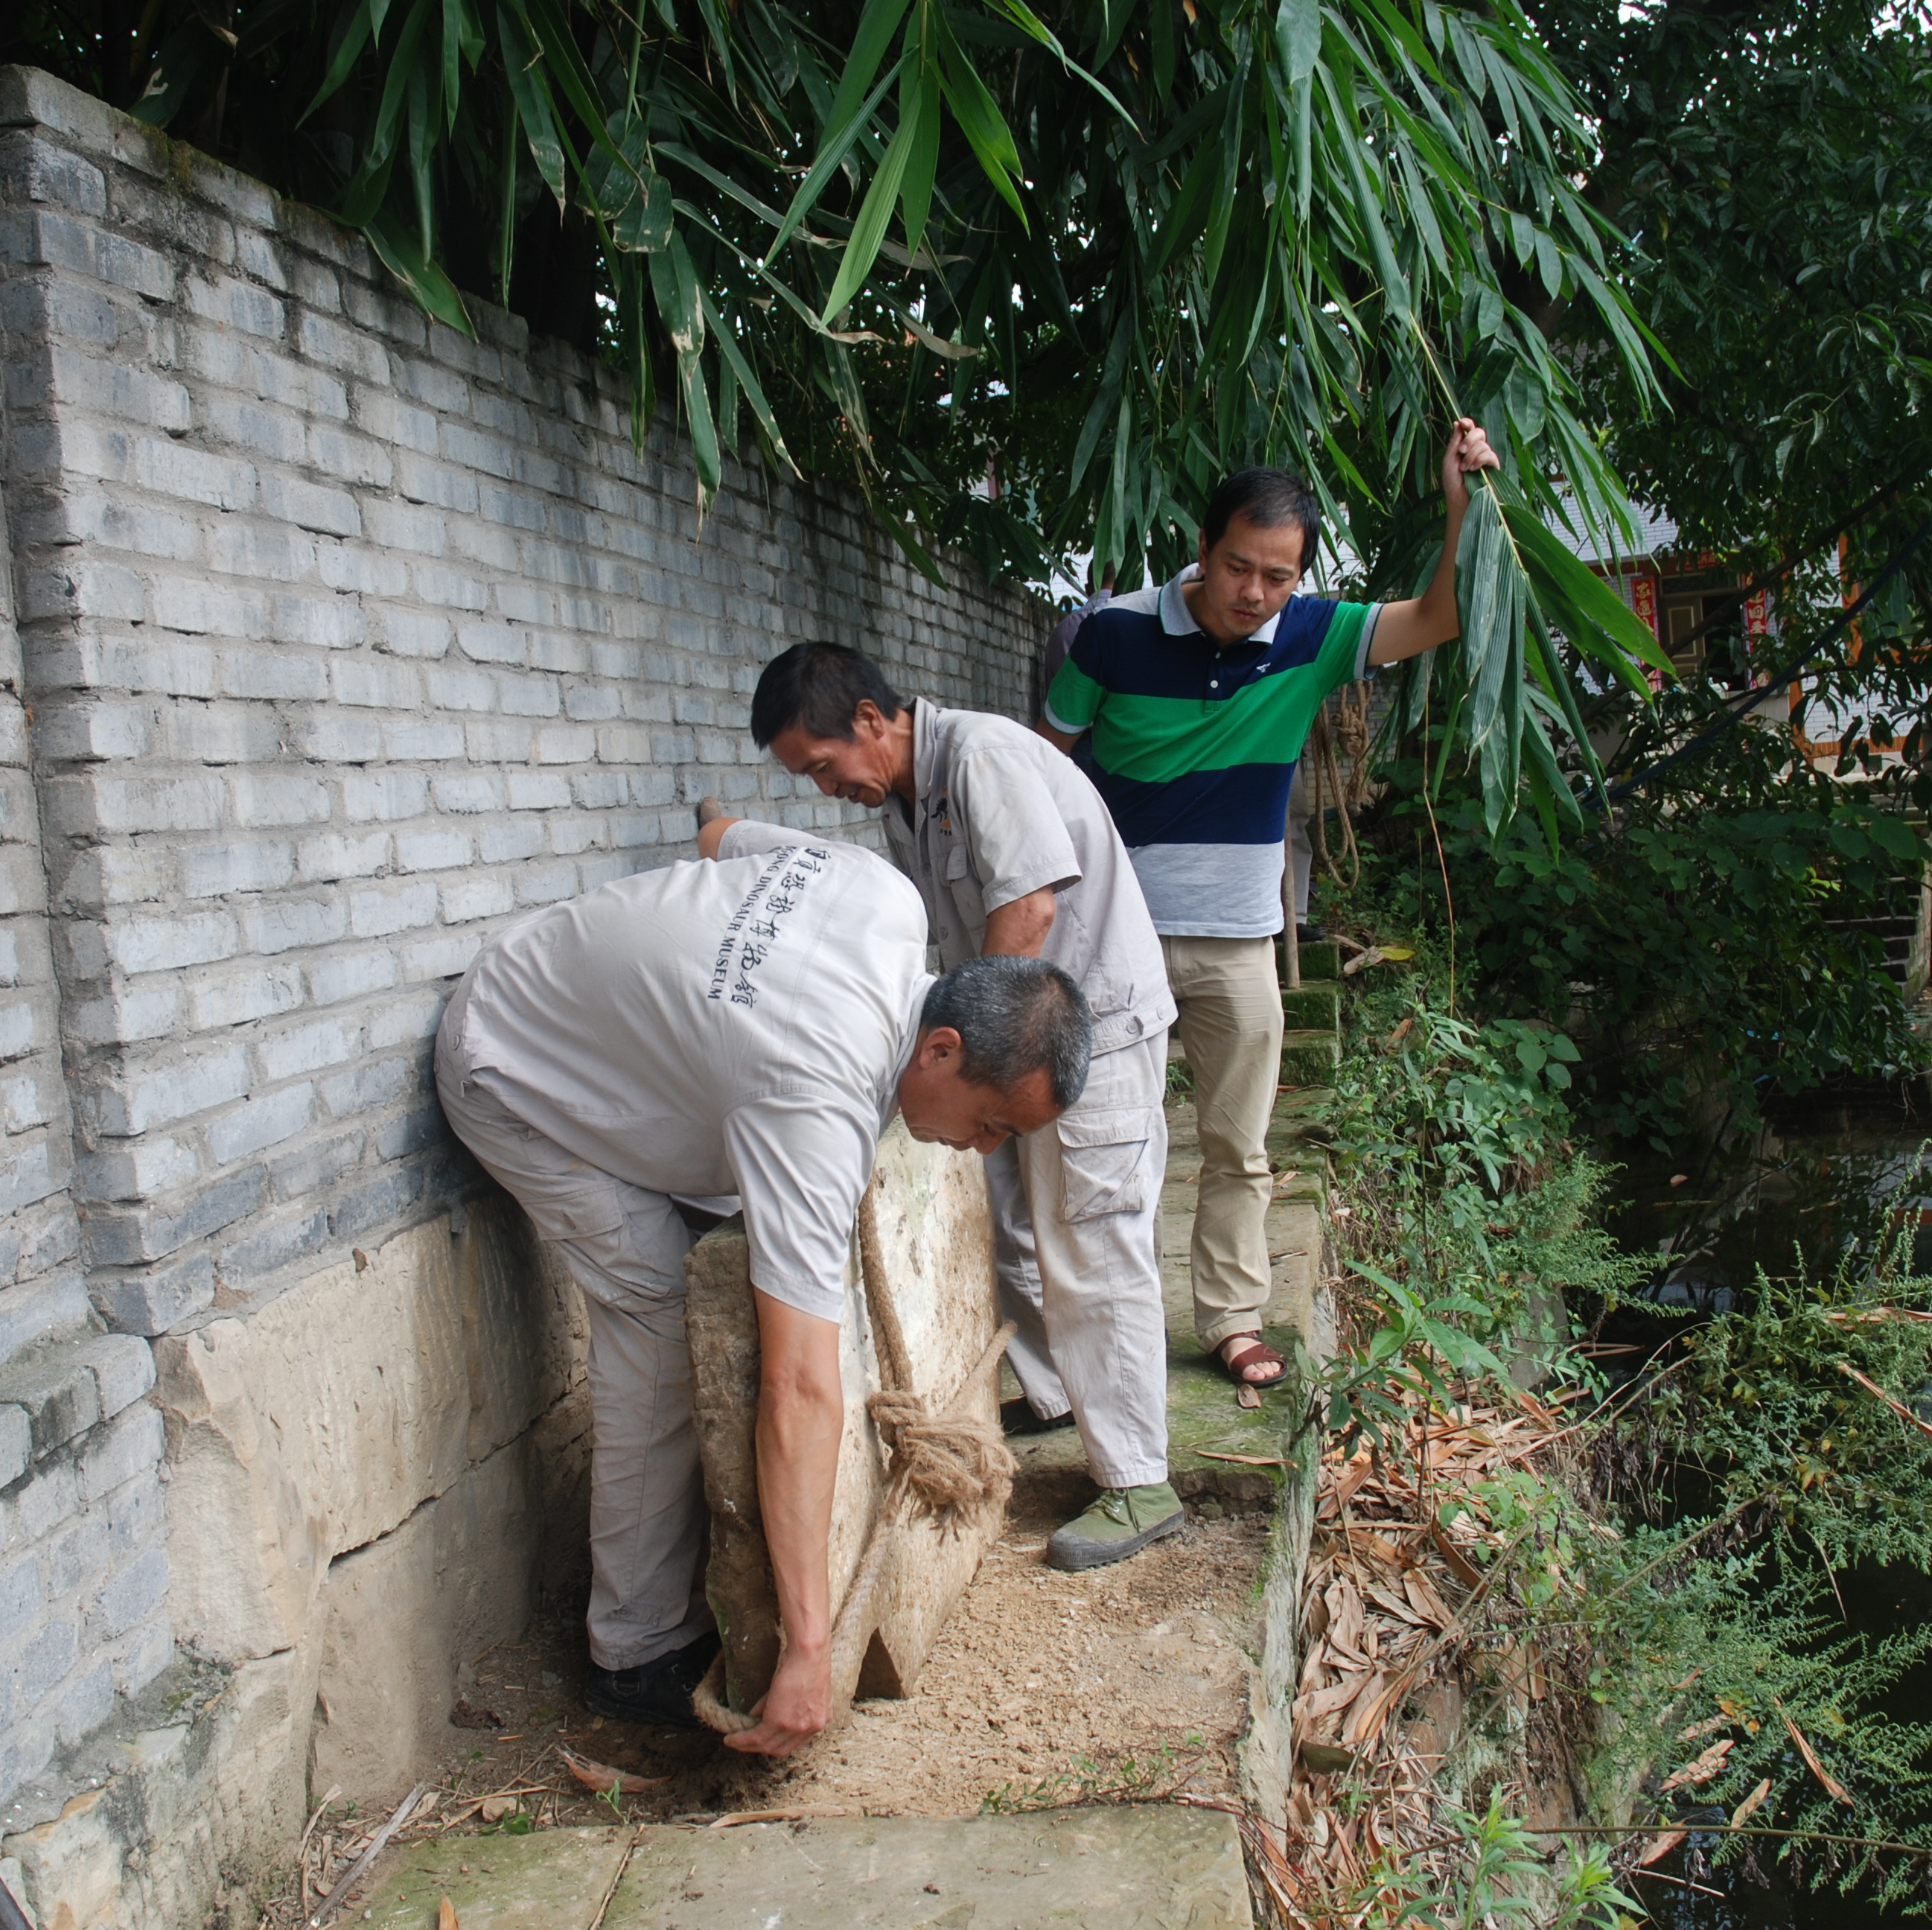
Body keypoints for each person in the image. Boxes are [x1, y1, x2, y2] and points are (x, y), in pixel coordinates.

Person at [433, 844, 1091, 1751]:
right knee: (660, 1317)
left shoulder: (884, 893)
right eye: (990, 1124)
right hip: (509, 1061)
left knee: (736, 1254)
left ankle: (682, 1564)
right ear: (939, 1047)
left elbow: (727, 839)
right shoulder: (812, 1100)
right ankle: (633, 1652)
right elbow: (799, 1390)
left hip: (567, 988)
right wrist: (808, 1649)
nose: (981, 1150)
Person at [1038, 423, 1499, 1391]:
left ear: (1299, 578)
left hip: (1242, 949)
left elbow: (1445, 615)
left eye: (1278, 576)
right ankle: (1088, 1334)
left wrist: (1461, 502)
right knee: (1104, 1143)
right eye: (1239, 566)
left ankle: (1231, 1319)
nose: (1255, 593)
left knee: (1239, 1146)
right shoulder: (1109, 633)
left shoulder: (1313, 636)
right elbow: (1044, 768)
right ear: (1202, 551)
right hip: (1116, 945)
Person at [713, 642, 1182, 1573]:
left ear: (868, 722)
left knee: (1091, 1240)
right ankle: (1056, 1404)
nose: (823, 790)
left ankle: (1140, 1480)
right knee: (1014, 1226)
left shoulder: (978, 757)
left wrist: (970, 1060)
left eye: (820, 766)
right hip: (1011, 1049)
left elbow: (1030, 912)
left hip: (1075, 1037)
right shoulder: (905, 796)